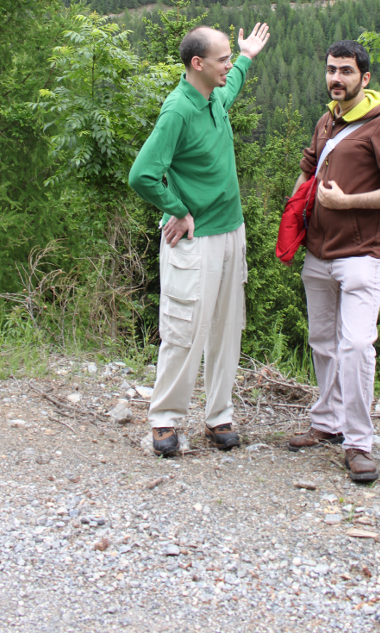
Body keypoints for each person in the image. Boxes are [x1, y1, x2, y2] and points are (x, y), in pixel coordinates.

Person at [129, 23, 270, 457]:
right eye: (223, 58)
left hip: (232, 231)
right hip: (197, 239)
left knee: (227, 328)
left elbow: (233, 87)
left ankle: (218, 416)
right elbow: (142, 174)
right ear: (198, 64)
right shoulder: (178, 110)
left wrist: (247, 56)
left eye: (230, 58)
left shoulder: (213, 98)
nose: (229, 65)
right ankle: (164, 420)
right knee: (185, 328)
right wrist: (177, 209)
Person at [288, 40, 380, 482]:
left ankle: (359, 443)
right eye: (331, 70)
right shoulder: (328, 119)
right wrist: (296, 205)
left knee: (357, 345)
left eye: (346, 71)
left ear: (365, 78)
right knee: (323, 342)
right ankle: (327, 422)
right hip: (319, 251)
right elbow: (309, 165)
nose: (336, 78)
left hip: (364, 254)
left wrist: (349, 204)